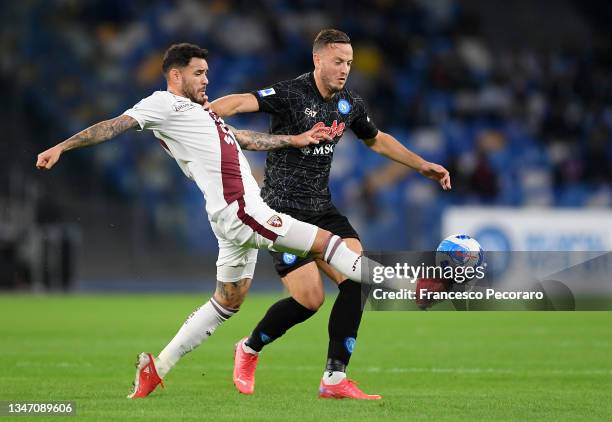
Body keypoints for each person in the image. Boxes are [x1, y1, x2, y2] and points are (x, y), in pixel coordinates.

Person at [35, 43, 388, 399]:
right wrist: (62, 147)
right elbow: (115, 125)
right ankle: (411, 281)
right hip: (243, 211)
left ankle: (156, 368)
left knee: (227, 302)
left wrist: (292, 140)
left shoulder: (200, 112)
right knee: (328, 244)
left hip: (230, 217)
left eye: (207, 72)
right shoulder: (162, 104)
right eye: (199, 73)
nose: (207, 79)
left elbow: (242, 138)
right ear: (176, 75)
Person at [210, 28, 451, 400]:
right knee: (309, 300)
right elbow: (242, 102)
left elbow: (376, 138)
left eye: (349, 63)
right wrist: (206, 116)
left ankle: (334, 379)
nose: (344, 69)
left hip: (323, 209)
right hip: (281, 214)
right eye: (338, 61)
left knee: (356, 280)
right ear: (317, 59)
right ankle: (249, 349)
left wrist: (421, 166)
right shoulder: (291, 93)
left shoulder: (349, 104)